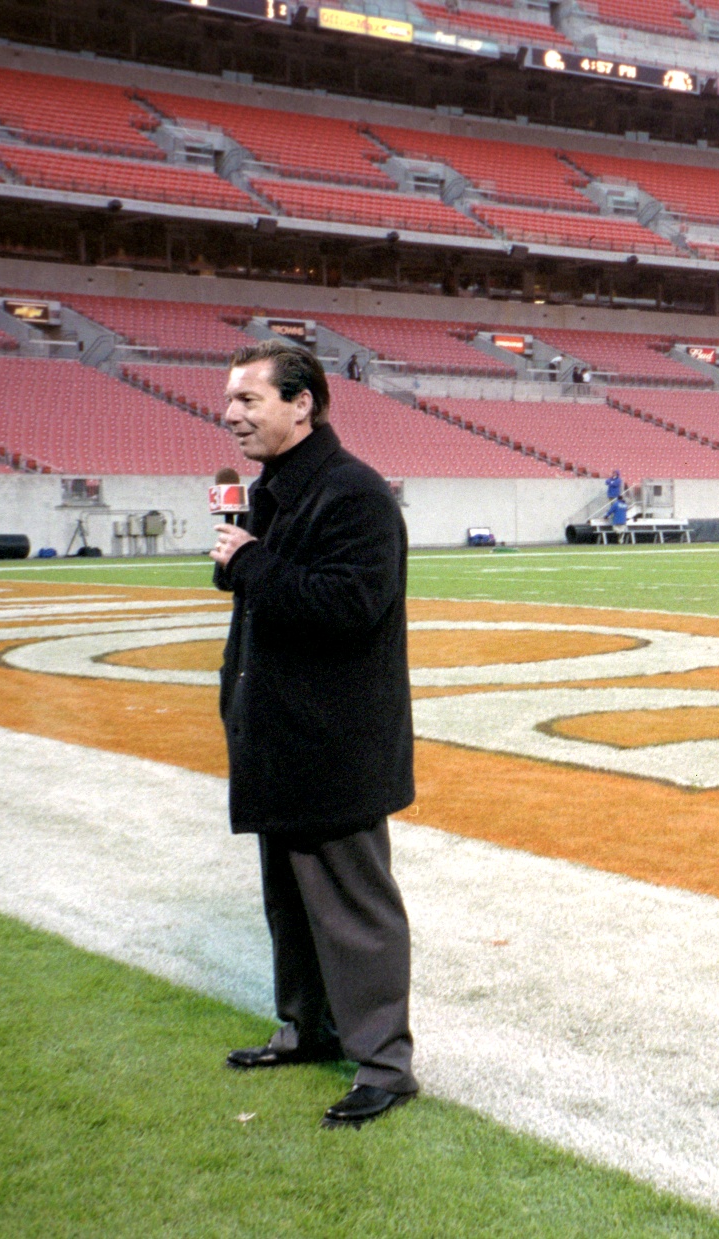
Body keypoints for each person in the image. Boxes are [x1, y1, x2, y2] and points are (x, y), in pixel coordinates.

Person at [209, 337, 418, 1130]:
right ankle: (307, 1026)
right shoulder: (270, 491)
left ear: (302, 404)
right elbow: (265, 586)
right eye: (230, 400)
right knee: (289, 898)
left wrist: (255, 563)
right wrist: (241, 562)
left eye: (247, 400)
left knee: (354, 908)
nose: (230, 415)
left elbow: (349, 606)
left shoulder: (354, 492)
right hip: (276, 733)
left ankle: (385, 1064)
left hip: (336, 740)